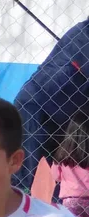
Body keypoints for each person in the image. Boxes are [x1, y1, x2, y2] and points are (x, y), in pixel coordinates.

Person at [14, 17, 89, 191]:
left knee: (61, 177)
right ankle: (17, 211)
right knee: (27, 174)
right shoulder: (82, 35)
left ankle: (57, 212)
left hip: (66, 119)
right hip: (36, 109)